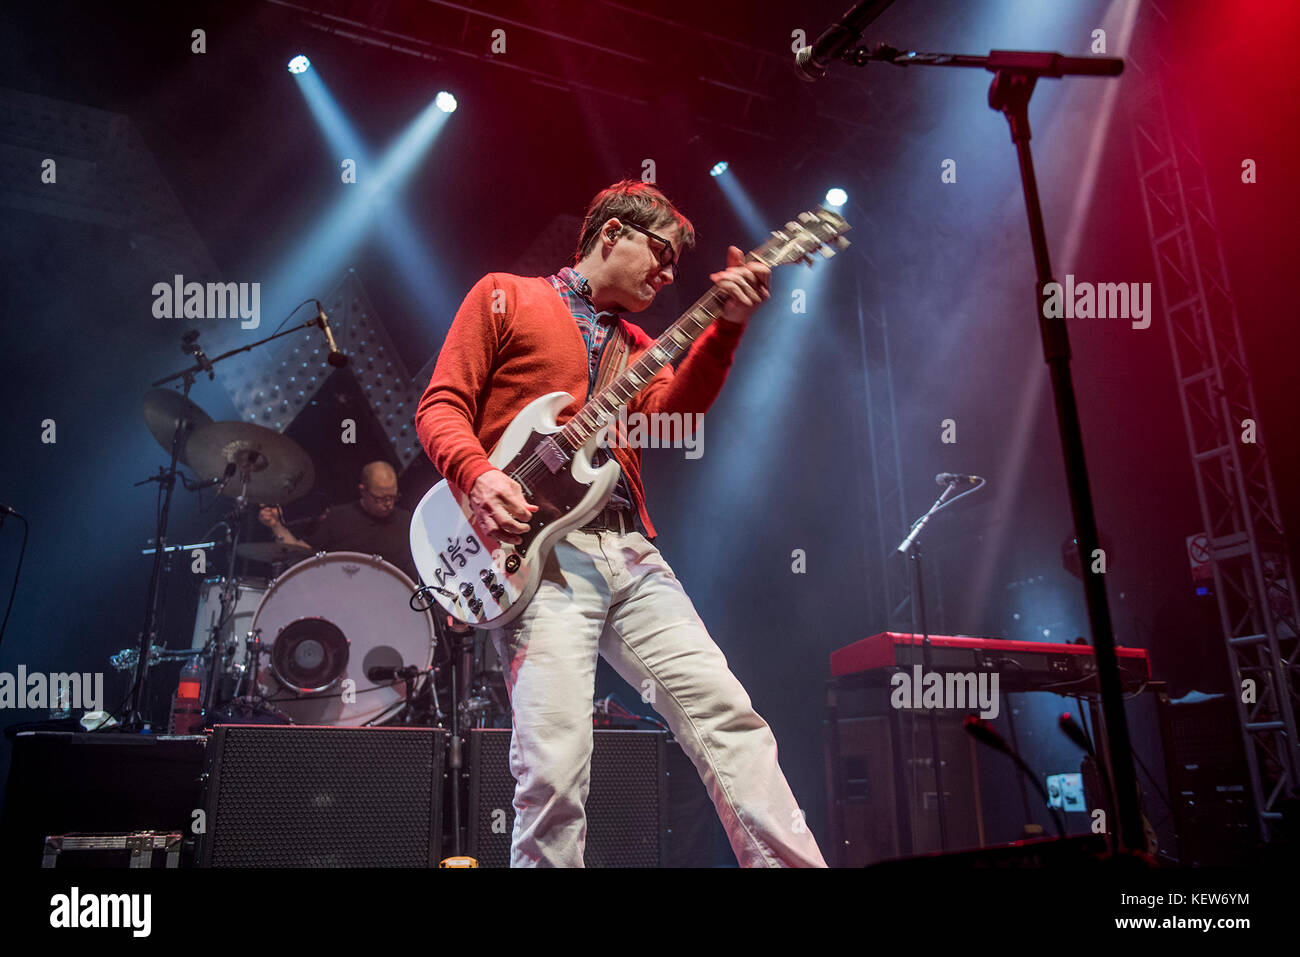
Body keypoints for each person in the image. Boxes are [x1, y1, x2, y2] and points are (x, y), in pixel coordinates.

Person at [415, 180, 826, 867]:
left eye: (675, 269)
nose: (667, 277)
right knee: (554, 766)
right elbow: (441, 405)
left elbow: (670, 414)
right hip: (539, 558)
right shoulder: (507, 295)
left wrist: (726, 325)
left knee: (730, 720)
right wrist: (479, 476)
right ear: (612, 233)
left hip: (631, 552)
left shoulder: (640, 346)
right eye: (660, 256)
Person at [257, 460, 417, 581]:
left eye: (393, 497)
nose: (388, 504)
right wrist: (276, 526)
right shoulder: (340, 517)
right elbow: (301, 555)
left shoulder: (408, 523)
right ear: (363, 491)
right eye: (380, 498)